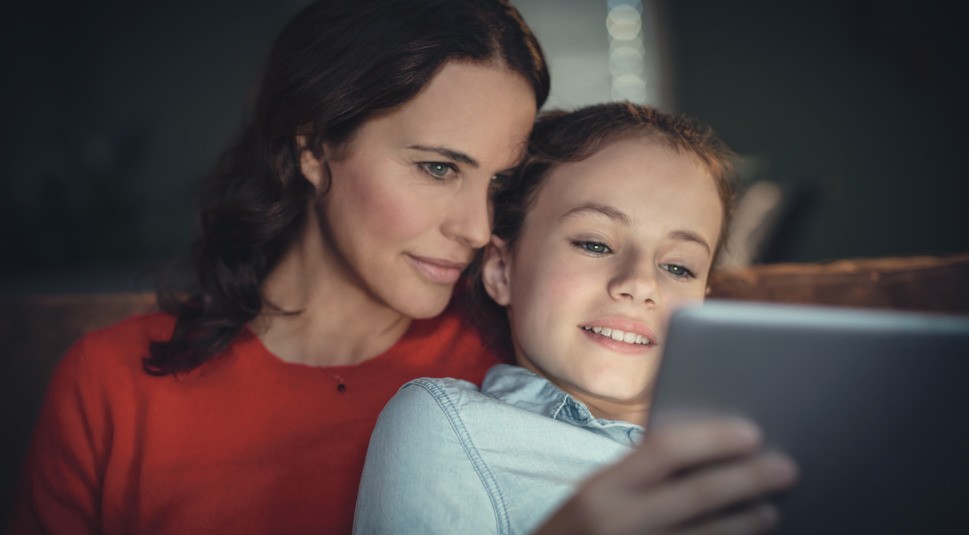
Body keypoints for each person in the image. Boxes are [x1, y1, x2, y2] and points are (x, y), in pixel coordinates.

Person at [10, 1, 547, 534]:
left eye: (499, 182)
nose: (477, 229)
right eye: (438, 168)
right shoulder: (111, 382)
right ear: (313, 147)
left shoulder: (518, 378)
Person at [353, 102, 798, 534]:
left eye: (678, 267)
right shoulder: (447, 424)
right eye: (595, 244)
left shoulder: (762, 445)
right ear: (501, 270)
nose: (640, 284)